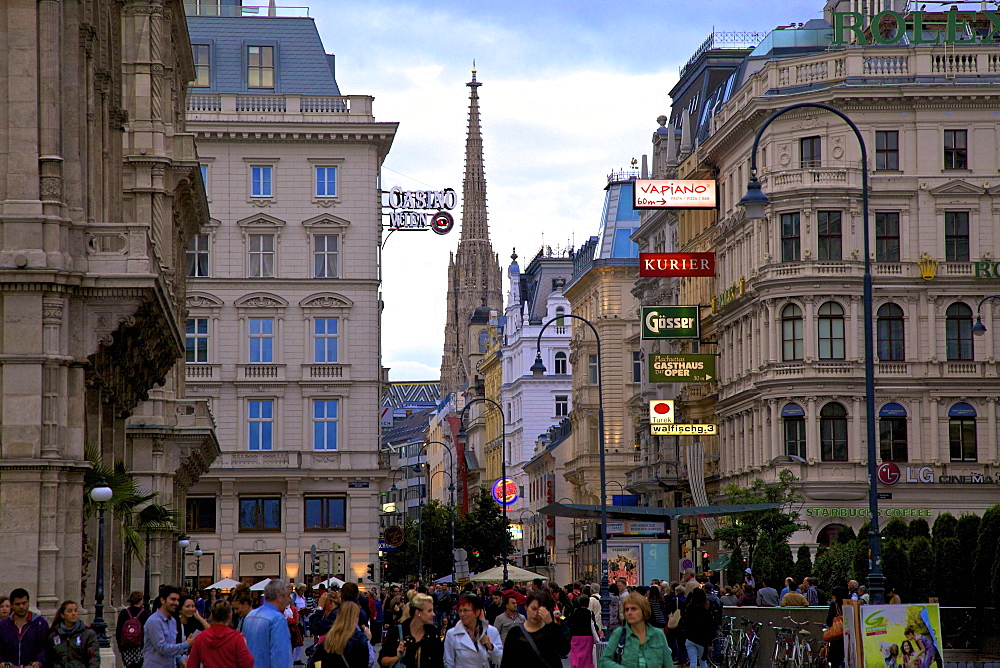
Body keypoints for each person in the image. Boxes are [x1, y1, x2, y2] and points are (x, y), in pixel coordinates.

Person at [598, 592, 673, 668]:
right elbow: (604, 661)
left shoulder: (658, 634)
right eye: (627, 609)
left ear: (643, 611)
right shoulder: (619, 633)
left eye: (634, 609)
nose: (629, 613)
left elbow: (668, 664)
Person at [500, 590, 568, 668]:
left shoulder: (552, 629)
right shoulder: (515, 632)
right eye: (533, 608)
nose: (535, 614)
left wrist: (551, 624)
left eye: (540, 610)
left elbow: (564, 650)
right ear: (526, 607)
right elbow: (507, 661)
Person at [378, 592, 443, 668]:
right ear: (418, 612)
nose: (433, 614)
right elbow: (382, 661)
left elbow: (439, 663)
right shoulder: (398, 632)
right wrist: (397, 657)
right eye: (429, 611)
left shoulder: (433, 634)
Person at [182, 601, 254, 668]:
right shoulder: (236, 638)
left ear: (212, 616)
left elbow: (192, 664)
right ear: (230, 617)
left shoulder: (201, 637)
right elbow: (248, 662)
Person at [242, 579, 292, 668]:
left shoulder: (250, 616)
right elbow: (280, 656)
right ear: (279, 597)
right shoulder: (277, 619)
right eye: (288, 596)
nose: (289, 600)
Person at [444, 594, 502, 668]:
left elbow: (500, 659)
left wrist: (490, 646)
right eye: (460, 611)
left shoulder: (491, 631)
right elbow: (448, 662)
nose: (462, 614)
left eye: (466, 611)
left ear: (477, 612)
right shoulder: (451, 634)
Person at [143, 586, 195, 668]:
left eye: (178, 600)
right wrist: (186, 644)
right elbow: (162, 648)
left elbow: (172, 646)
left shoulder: (172, 621)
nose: (176, 603)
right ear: (162, 600)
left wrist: (181, 661)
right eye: (173, 599)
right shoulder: (154, 621)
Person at [0, 588, 50, 668]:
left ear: (28, 603)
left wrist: (39, 662)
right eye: (17, 604)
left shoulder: (40, 623)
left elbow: (45, 647)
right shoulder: (4, 625)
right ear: (12, 605)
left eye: (24, 603)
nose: (21, 607)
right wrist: (1, 662)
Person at [311, 602, 371, 668]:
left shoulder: (329, 636)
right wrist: (368, 640)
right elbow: (368, 661)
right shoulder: (359, 638)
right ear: (356, 617)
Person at [46, 601, 99, 668]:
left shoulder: (87, 634)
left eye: (75, 611)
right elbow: (50, 658)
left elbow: (94, 657)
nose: (73, 613)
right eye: (70, 611)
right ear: (62, 615)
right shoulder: (54, 636)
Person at [679, 588, 716, 668]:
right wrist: (709, 641)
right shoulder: (706, 612)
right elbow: (710, 627)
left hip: (690, 637)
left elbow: (685, 622)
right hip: (702, 640)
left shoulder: (689, 609)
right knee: (703, 661)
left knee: (693, 661)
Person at [116, 591, 152, 668]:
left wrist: (120, 645)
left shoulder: (124, 612)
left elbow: (119, 630)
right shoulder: (145, 613)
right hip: (140, 645)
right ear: (140, 600)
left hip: (126, 645)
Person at [567, 594, 599, 668]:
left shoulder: (574, 612)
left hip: (576, 636)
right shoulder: (590, 613)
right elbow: (593, 626)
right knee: (586, 656)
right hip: (587, 637)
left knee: (575, 654)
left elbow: (569, 622)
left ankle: (576, 665)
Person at [825, 586, 848, 668]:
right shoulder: (849, 604)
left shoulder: (834, 605)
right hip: (848, 635)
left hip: (837, 637)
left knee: (835, 659)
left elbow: (829, 621)